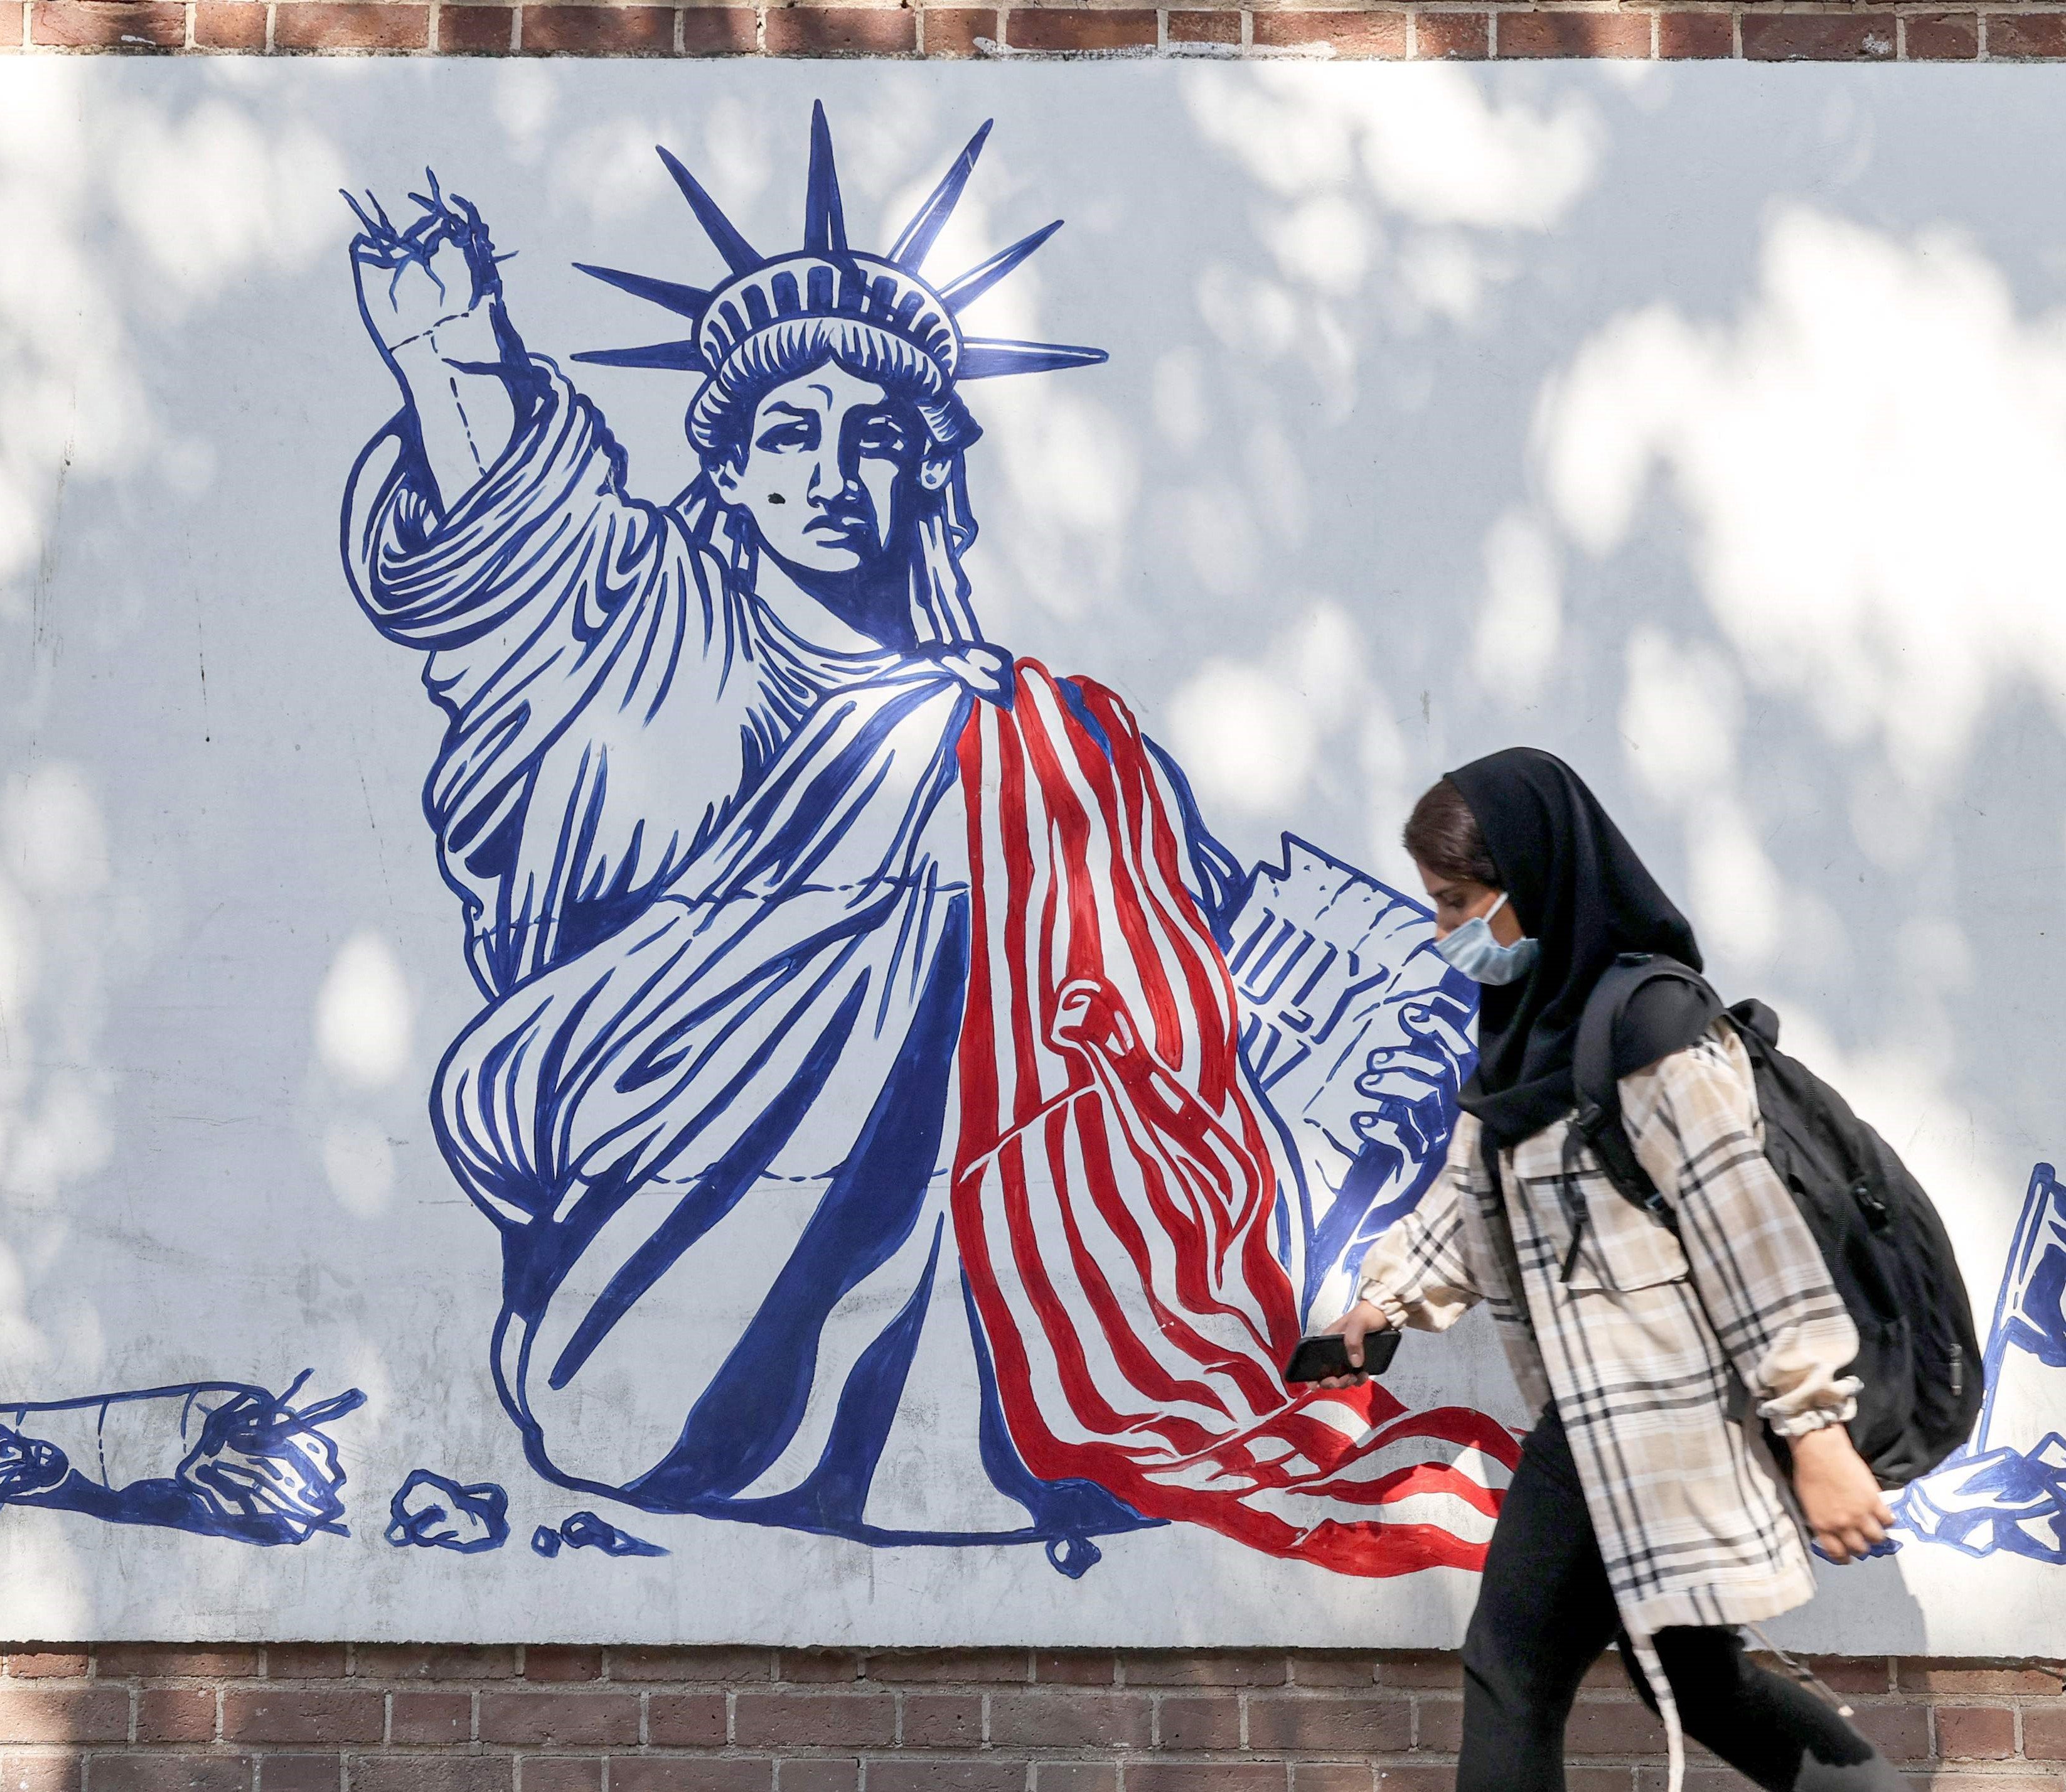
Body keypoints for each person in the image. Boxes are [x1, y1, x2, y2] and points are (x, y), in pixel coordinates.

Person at [334, 112, 1512, 1567]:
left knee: (1010, 783)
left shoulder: (1054, 730)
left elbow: (1198, 951)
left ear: (927, 474)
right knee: (962, 800)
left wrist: (1405, 1018)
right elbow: (524, 573)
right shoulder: (656, 645)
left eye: (873, 435)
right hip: (667, 1181)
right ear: (728, 469)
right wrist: (455, 370)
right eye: (788, 430)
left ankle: (1039, 1380)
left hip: (1036, 1250)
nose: (830, 469)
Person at [1319, 749, 1905, 1792]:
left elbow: (1753, 1239)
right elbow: (1483, 1188)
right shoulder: (1532, 1033)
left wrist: (1817, 1430)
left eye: (1459, 903)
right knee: (1693, 1676)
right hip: (1605, 1419)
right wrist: (1389, 1294)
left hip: (1650, 1418)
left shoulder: (1655, 1032)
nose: (1446, 932)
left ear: (1535, 878)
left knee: (1512, 1669)